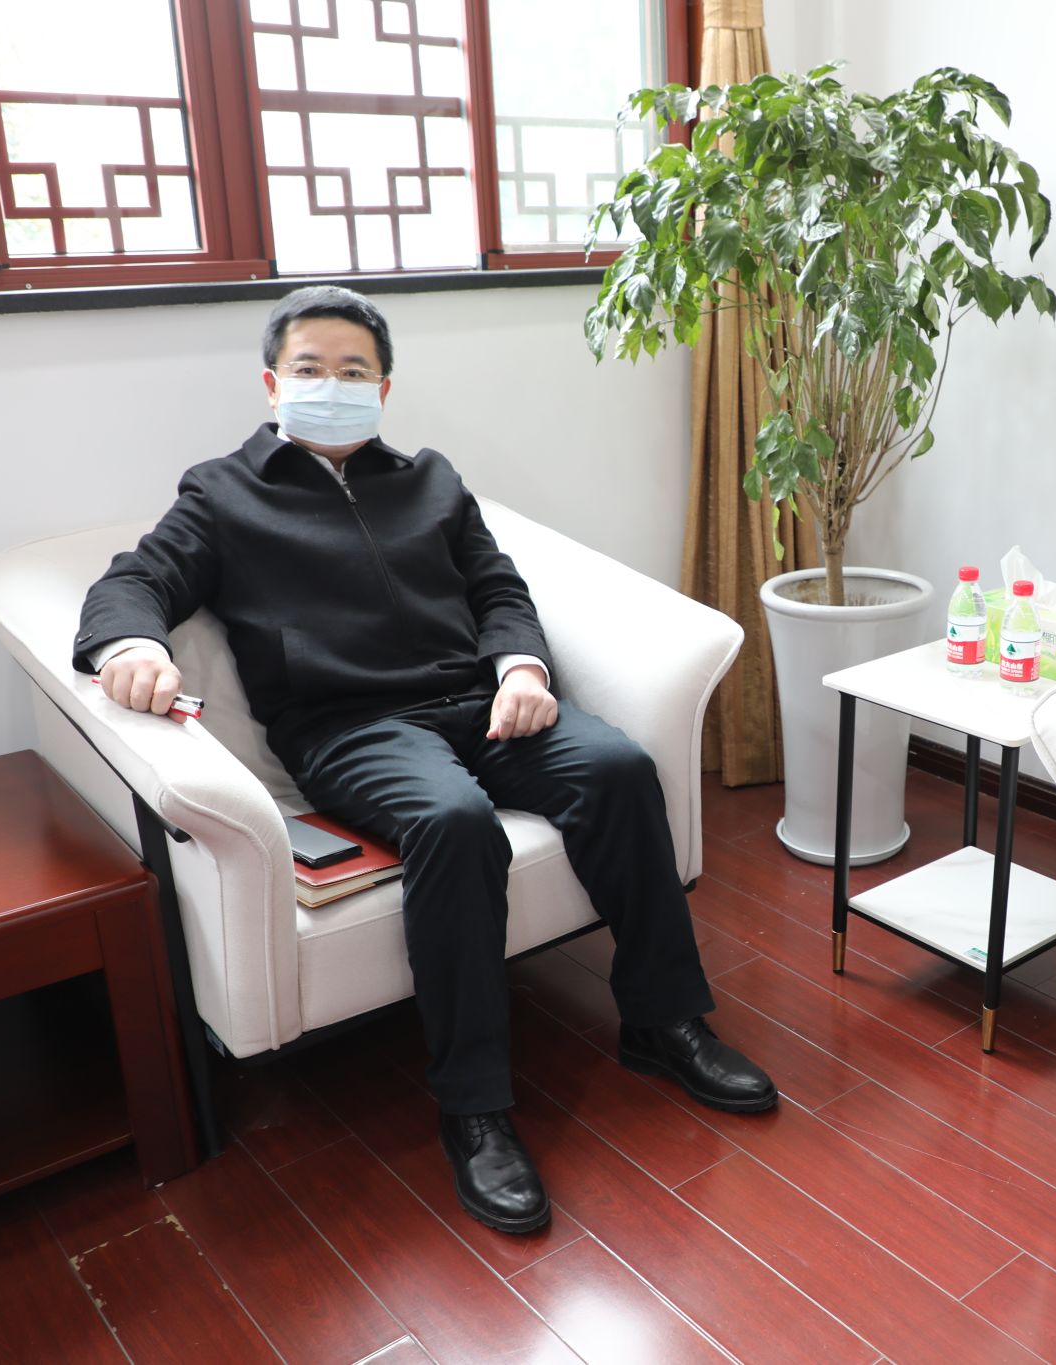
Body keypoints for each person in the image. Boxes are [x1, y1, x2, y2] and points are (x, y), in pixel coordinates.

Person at [75, 285, 775, 1235]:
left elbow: (499, 588)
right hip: (349, 727)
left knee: (616, 767)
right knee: (453, 821)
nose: (331, 385)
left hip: (477, 702)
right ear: (273, 383)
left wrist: (520, 666)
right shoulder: (221, 493)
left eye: (353, 371)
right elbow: (135, 580)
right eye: (310, 368)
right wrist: (131, 646)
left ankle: (664, 1021)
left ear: (384, 388)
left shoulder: (432, 481)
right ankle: (474, 1107)